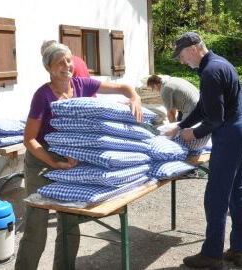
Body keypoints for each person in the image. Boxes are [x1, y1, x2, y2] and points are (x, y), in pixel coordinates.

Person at [14, 41, 143, 270]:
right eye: (60, 62)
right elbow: (30, 139)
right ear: (49, 69)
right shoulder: (42, 96)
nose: (67, 65)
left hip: (71, 160)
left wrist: (134, 97)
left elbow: (122, 87)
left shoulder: (82, 85)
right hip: (41, 161)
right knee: (37, 224)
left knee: (70, 224)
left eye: (69, 60)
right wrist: (53, 162)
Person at [165, 32, 242, 269]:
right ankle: (239, 250)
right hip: (238, 131)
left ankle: (211, 255)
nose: (181, 60)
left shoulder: (210, 71)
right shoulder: (219, 63)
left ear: (195, 48)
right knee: (236, 193)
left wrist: (193, 134)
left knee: (216, 196)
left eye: (182, 55)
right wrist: (180, 125)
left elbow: (215, 119)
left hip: (229, 136)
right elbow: (202, 107)